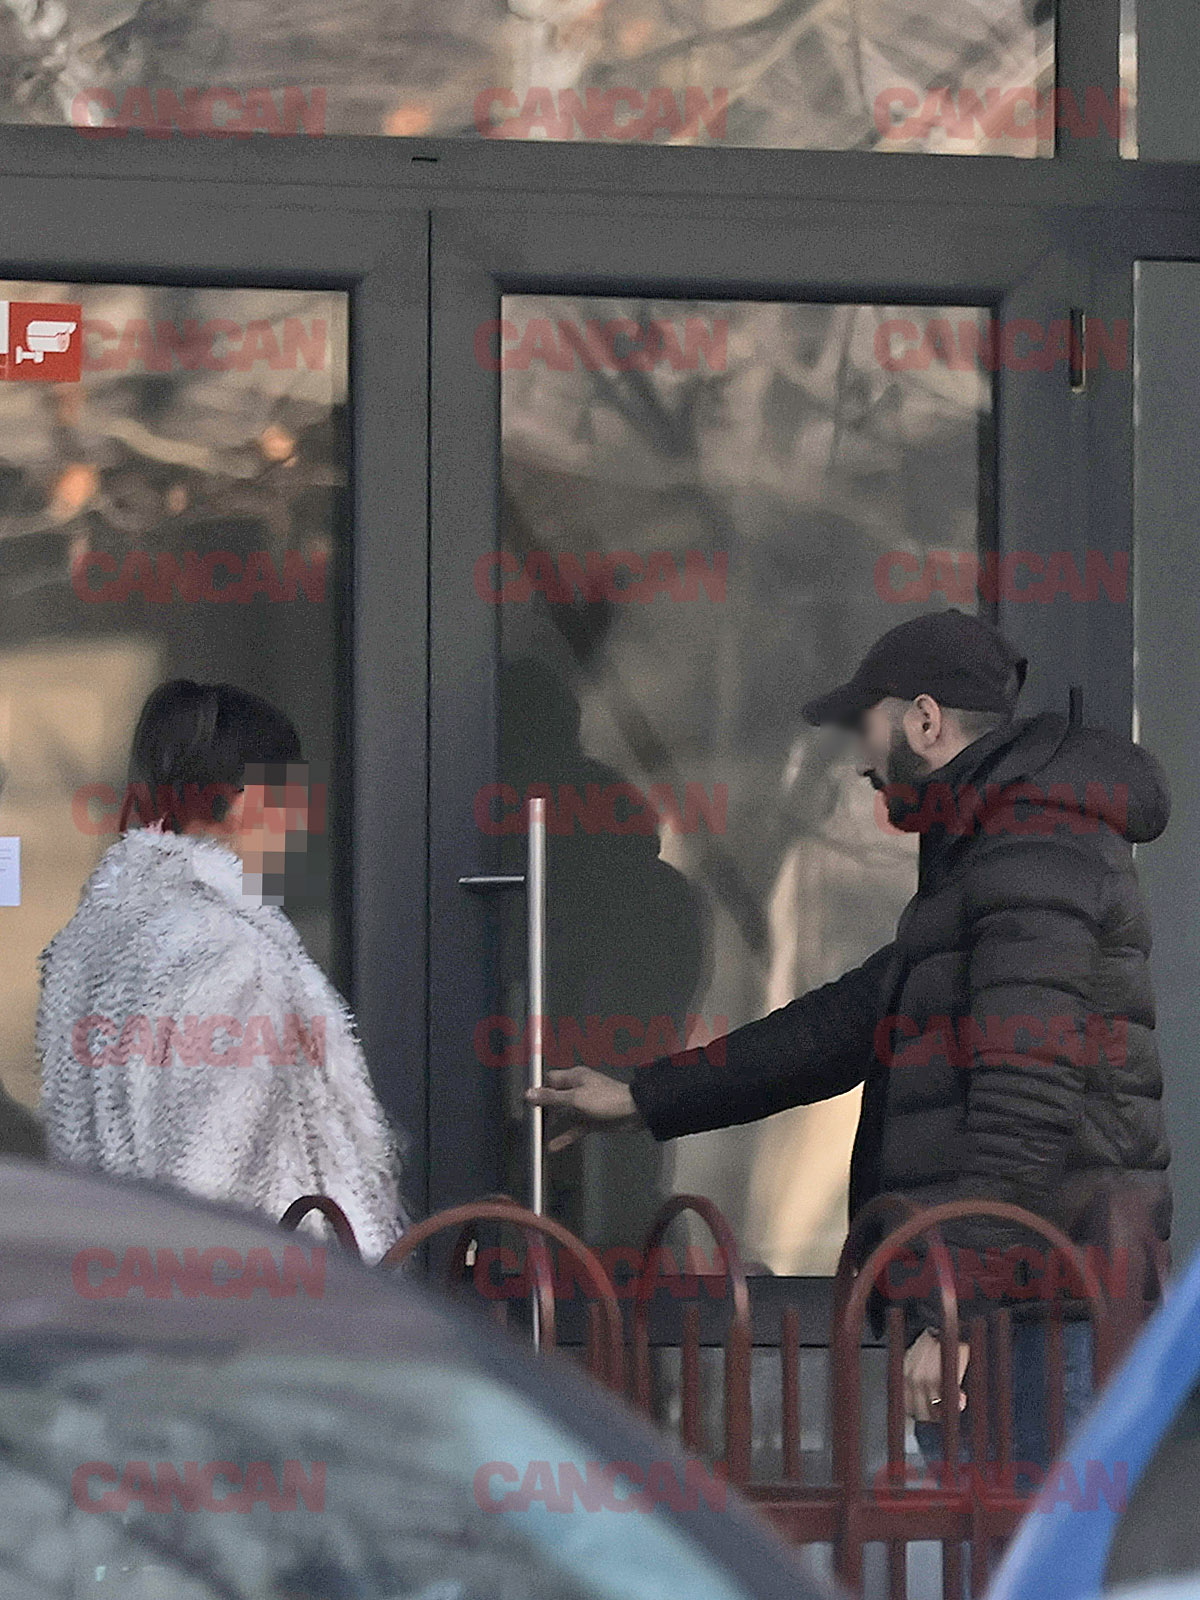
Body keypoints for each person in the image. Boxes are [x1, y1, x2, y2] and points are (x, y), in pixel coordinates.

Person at [527, 608, 1172, 1466]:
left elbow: (1027, 1103)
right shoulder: (988, 853)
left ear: (925, 720)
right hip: (1020, 1309)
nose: (862, 760)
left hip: (1036, 1321)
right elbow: (841, 1026)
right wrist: (644, 1096)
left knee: (1022, 1543)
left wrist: (953, 1314)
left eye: (867, 726)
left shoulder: (1032, 850)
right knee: (988, 1539)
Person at [37, 679, 406, 1261]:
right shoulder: (230, 955)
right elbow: (210, 1181)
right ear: (244, 802)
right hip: (255, 1299)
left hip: (119, 1285)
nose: (301, 822)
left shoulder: (90, 944)